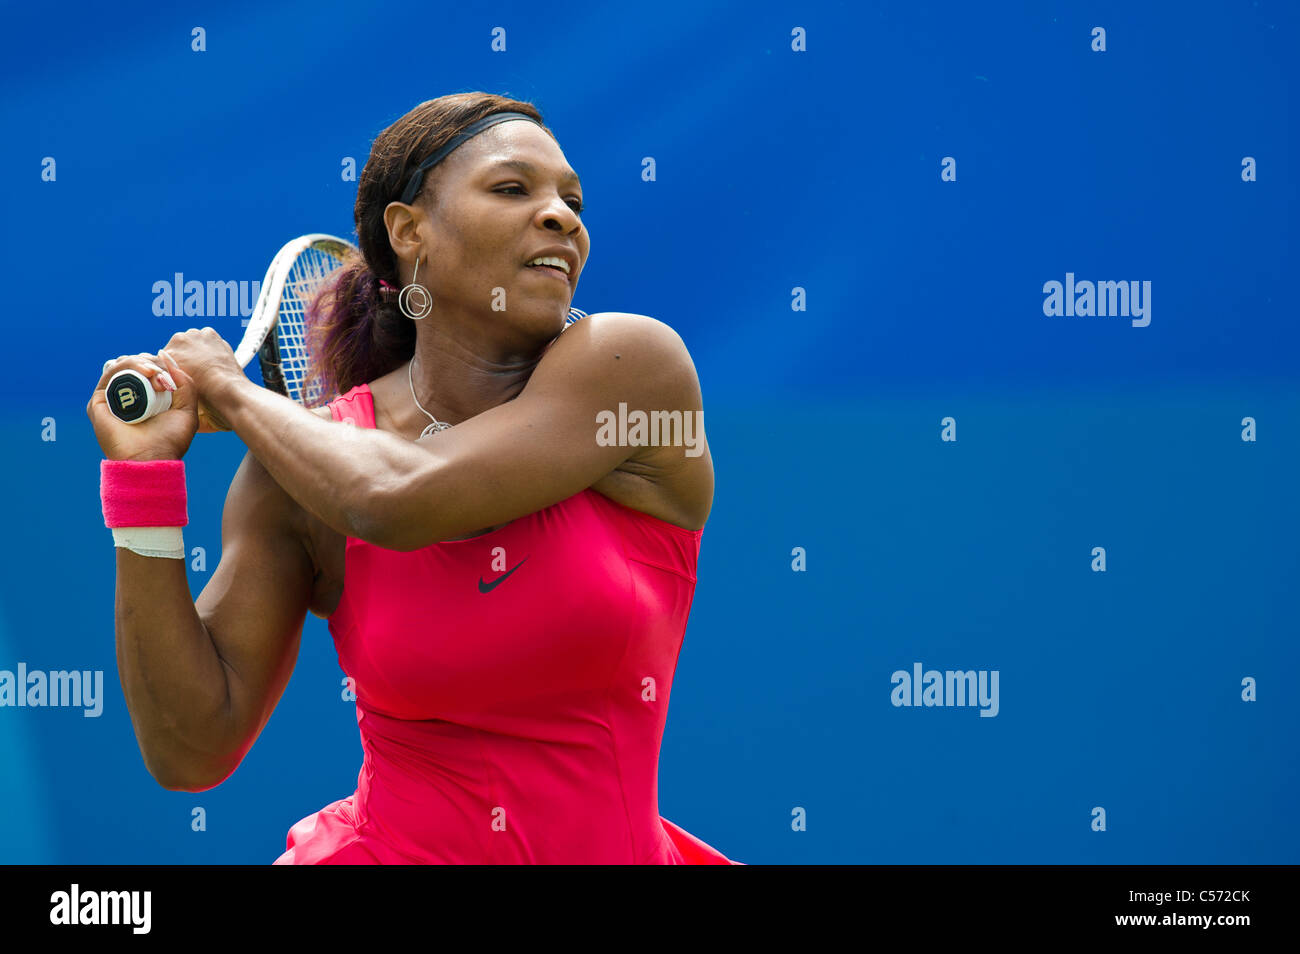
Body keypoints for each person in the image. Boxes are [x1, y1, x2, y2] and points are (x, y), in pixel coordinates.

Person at [88, 91, 739, 863]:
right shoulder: (300, 470)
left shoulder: (634, 369)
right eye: (512, 188)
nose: (562, 217)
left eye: (572, 200)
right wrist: (145, 491)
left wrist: (230, 389)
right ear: (409, 231)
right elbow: (191, 749)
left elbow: (396, 497)